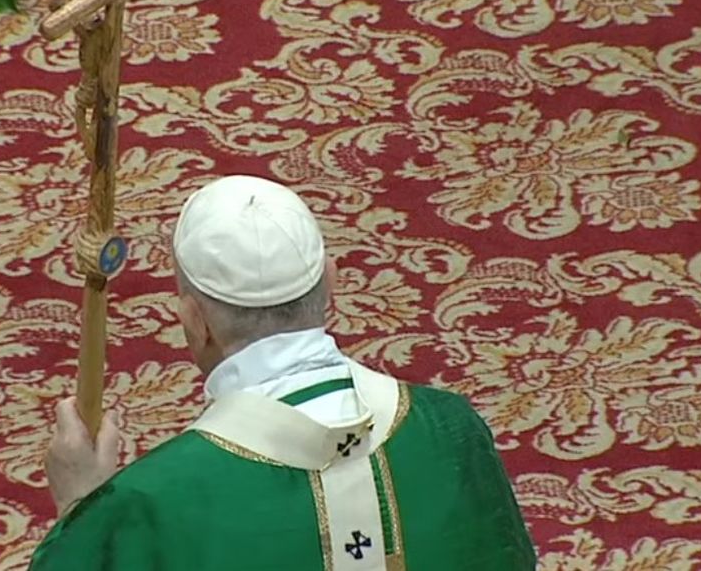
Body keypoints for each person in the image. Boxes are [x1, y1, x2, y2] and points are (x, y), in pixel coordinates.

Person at [29, 174, 535, 570]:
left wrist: (85, 509)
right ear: (332, 282)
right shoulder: (450, 428)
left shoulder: (151, 504)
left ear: (194, 323)